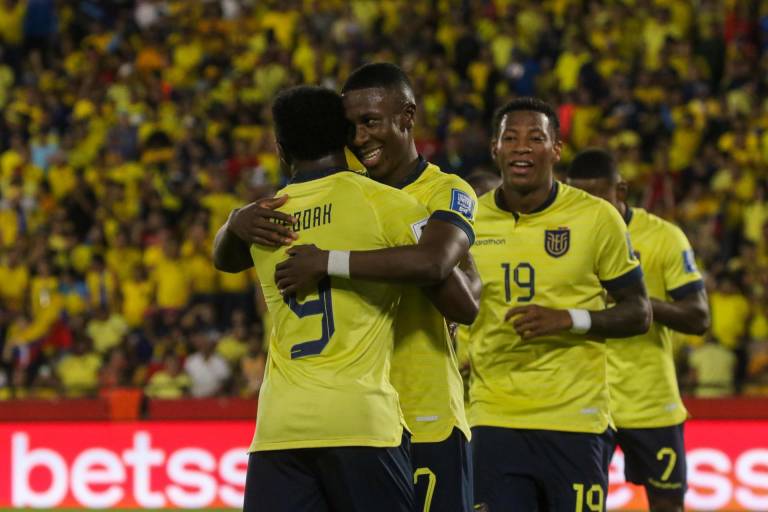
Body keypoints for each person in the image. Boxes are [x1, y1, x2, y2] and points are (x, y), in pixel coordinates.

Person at [218, 63, 480, 512]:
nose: (360, 138)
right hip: (365, 416)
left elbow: (458, 288)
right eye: (351, 126)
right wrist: (235, 221)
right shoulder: (368, 201)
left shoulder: (443, 190)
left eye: (371, 123)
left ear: (406, 117)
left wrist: (329, 263)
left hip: (424, 406)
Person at [467, 97, 652, 511]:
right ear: (494, 149)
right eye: (509, 138)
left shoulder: (596, 217)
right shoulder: (469, 222)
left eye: (535, 137)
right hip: (494, 419)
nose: (521, 147)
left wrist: (570, 319)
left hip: (575, 420)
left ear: (555, 150)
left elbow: (639, 312)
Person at [567, 148, 710, 512]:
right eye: (578, 197)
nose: (589, 209)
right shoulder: (561, 237)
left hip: (649, 402)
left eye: (597, 198)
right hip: (584, 400)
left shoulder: (663, 237)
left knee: (666, 505)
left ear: (621, 191)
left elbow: (698, 317)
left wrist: (639, 302)